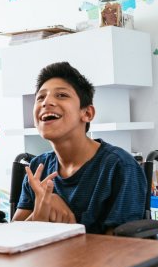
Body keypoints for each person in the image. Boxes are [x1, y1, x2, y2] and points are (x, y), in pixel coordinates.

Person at [13, 61, 146, 232]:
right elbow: (15, 235)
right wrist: (42, 210)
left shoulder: (120, 166)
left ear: (87, 113)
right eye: (40, 97)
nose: (46, 102)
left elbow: (118, 248)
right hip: (46, 258)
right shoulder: (37, 168)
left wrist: (71, 229)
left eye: (61, 95)